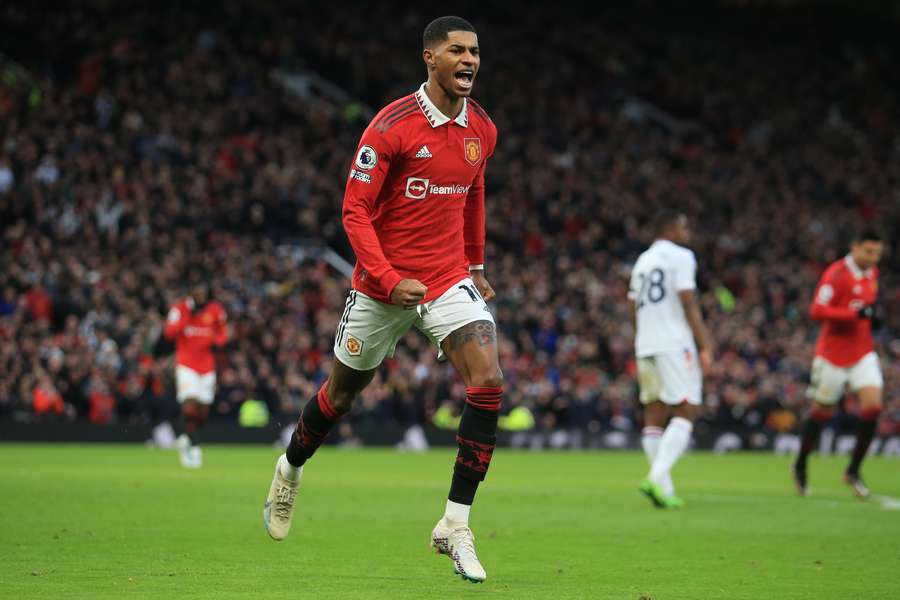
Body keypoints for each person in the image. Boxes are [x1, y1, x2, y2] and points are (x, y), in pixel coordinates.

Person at [262, 16, 501, 583]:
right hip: (380, 287)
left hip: (445, 280)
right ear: (429, 57)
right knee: (340, 398)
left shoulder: (482, 129)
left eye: (474, 52)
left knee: (488, 380)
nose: (468, 60)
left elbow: (473, 193)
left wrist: (475, 265)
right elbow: (354, 211)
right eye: (456, 51)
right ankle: (290, 469)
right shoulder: (391, 125)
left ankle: (454, 524)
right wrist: (389, 278)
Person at [630, 211, 713, 509]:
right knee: (687, 408)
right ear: (670, 228)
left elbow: (632, 304)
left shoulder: (642, 260)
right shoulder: (682, 256)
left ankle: (662, 488)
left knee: (654, 412)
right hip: (675, 343)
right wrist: (705, 345)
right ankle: (656, 477)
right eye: (684, 225)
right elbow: (688, 301)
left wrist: (642, 338)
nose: (687, 231)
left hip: (646, 344)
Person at [793, 229, 884, 498]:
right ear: (855, 247)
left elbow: (865, 310)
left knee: (873, 406)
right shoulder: (835, 275)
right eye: (869, 251)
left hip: (862, 352)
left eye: (878, 253)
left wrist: (867, 318)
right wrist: (853, 314)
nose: (873, 257)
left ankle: (853, 470)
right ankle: (800, 463)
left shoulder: (872, 274)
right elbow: (816, 311)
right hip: (832, 354)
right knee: (822, 413)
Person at [163, 278, 228, 468]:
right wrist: (187, 317)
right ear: (191, 292)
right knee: (189, 405)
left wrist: (218, 340)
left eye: (203, 291)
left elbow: (222, 332)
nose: (200, 295)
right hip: (186, 364)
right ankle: (193, 447)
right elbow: (169, 333)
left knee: (203, 412)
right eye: (197, 291)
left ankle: (185, 437)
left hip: (207, 365)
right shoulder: (180, 309)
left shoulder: (215, 309)